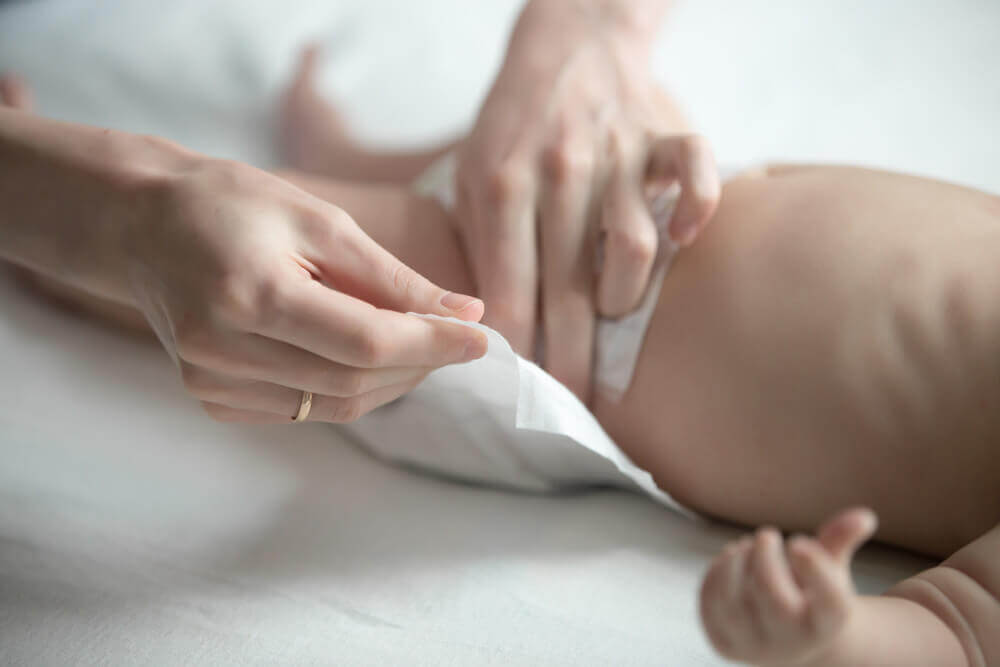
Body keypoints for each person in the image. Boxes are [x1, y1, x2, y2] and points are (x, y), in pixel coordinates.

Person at [9, 38, 999, 664]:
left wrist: (833, 636)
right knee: (483, 176)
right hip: (683, 189)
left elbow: (960, 628)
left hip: (575, 337)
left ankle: (60, 239)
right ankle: (335, 151)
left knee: (303, 256)